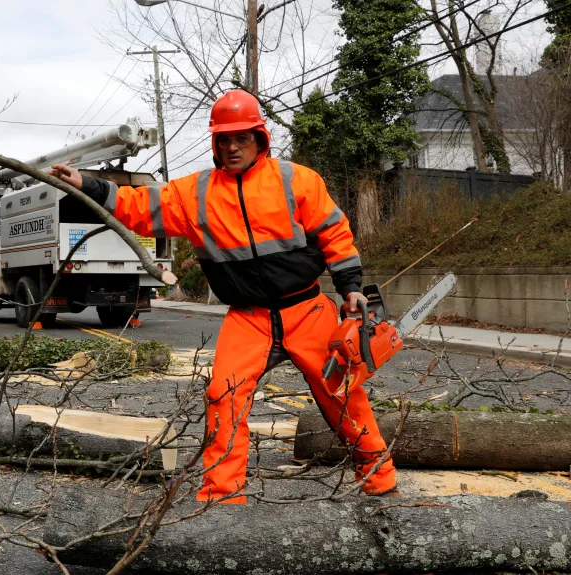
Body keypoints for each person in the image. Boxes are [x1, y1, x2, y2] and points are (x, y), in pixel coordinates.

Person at [49, 89, 397, 503]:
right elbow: (138, 204)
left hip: (306, 307)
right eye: (224, 139)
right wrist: (85, 185)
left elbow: (334, 235)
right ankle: (222, 495)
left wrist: (351, 290)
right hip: (248, 316)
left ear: (259, 138)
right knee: (223, 395)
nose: (232, 147)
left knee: (341, 389)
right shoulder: (194, 194)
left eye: (241, 138)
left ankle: (379, 477)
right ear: (215, 143)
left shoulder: (296, 179)